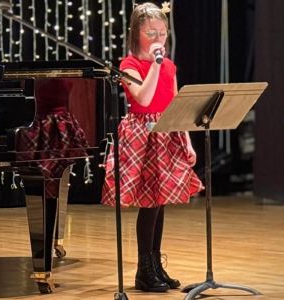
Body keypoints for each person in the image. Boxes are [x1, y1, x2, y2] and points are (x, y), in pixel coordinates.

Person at [101, 2, 203, 293]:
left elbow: (175, 106)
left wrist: (186, 140)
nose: (159, 38)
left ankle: (156, 264)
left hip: (166, 133)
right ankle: (143, 271)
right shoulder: (128, 65)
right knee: (148, 203)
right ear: (137, 33)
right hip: (141, 136)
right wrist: (155, 65)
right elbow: (143, 100)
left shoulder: (169, 66)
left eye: (163, 32)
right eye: (151, 32)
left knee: (160, 202)